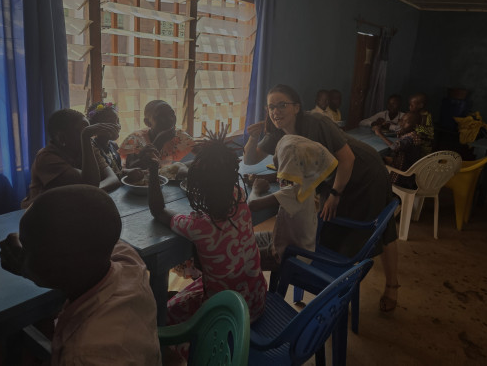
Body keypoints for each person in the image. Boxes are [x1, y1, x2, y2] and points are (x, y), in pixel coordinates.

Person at [244, 84, 400, 312]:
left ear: (297, 107)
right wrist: (252, 137)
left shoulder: (316, 122)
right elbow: (250, 160)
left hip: (363, 171)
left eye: (282, 105)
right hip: (332, 178)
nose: (275, 111)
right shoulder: (277, 132)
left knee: (382, 228)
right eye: (271, 107)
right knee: (328, 226)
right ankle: (335, 278)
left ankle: (391, 285)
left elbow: (347, 159)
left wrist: (335, 194)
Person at [0, 185, 162, 365]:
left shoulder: (85, 355)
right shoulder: (131, 264)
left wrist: (26, 268)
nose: (21, 253)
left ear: (61, 267)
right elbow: (95, 232)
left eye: (27, 249)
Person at [145, 127, 267, 326]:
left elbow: (158, 211)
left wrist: (153, 171)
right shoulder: (239, 196)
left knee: (163, 314)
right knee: (192, 287)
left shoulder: (199, 226)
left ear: (197, 186)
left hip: (225, 319)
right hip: (255, 300)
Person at [248, 135, 338, 271]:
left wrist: (256, 188)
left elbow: (253, 204)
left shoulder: (292, 193)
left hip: (289, 256)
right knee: (246, 239)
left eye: (278, 154)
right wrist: (258, 177)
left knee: (241, 258)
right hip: (295, 244)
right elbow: (284, 174)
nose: (275, 157)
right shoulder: (306, 181)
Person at [21, 109, 121, 209]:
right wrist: (85, 137)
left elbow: (113, 179)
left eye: (88, 132)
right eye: (81, 133)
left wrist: (93, 191)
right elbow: (90, 185)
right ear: (61, 138)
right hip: (39, 212)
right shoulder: (46, 158)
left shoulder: (86, 148)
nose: (89, 138)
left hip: (71, 208)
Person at [118, 100, 194, 168]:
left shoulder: (181, 136)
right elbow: (130, 168)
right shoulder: (135, 139)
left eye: (171, 114)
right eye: (161, 116)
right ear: (147, 122)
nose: (170, 119)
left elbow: (196, 160)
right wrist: (157, 144)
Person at [373, 112, 423, 189]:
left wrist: (380, 134)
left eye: (407, 122)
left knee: (377, 161)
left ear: (415, 126)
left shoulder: (410, 139)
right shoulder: (414, 134)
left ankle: (380, 187)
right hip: (408, 168)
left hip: (403, 176)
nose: (402, 124)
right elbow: (399, 134)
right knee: (381, 158)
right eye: (402, 120)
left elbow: (395, 147)